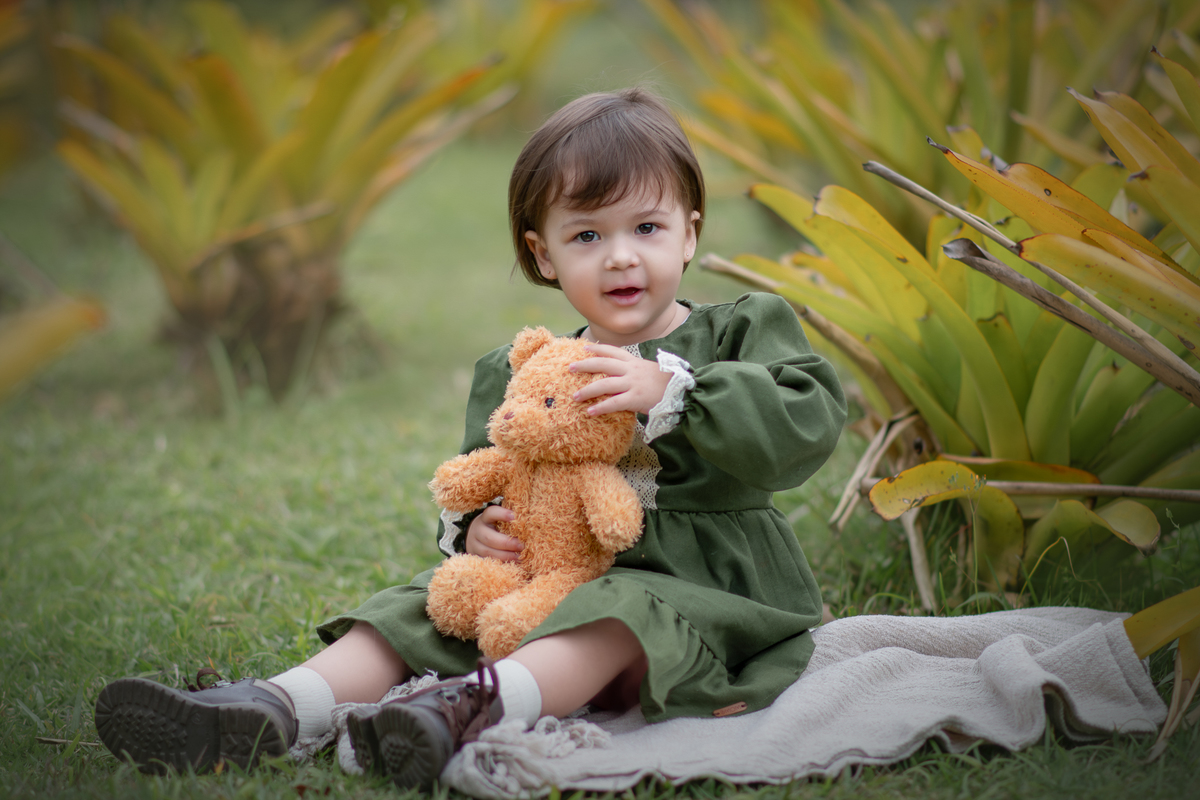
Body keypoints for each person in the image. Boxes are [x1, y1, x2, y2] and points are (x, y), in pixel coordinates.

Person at [94, 87, 847, 789]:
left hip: (704, 592)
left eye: (646, 228)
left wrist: (677, 393)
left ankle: (466, 708)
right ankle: (275, 707)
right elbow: (485, 476)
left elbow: (807, 425)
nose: (621, 255)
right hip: (549, 578)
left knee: (620, 613)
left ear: (689, 235)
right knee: (424, 602)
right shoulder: (526, 372)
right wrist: (475, 531)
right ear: (544, 256)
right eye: (587, 234)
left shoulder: (738, 333)